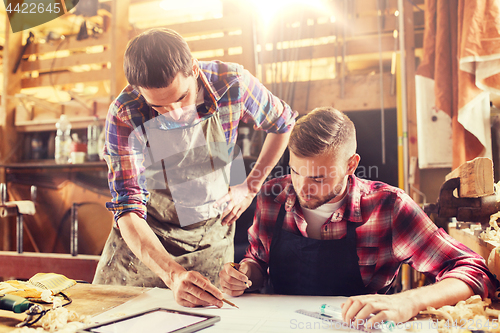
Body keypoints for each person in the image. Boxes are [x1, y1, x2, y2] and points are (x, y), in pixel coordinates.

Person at [219, 106, 498, 324]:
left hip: (358, 326)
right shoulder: (272, 196)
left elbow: (473, 270)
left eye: (318, 177)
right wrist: (244, 275)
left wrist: (408, 302)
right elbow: (257, 261)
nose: (302, 187)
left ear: (351, 164)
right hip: (277, 324)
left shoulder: (388, 207)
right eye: (295, 171)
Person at [93, 28, 295, 308]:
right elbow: (127, 208)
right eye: (160, 107)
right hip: (147, 245)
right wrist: (172, 275)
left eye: (181, 97)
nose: (175, 114)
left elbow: (283, 124)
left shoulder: (232, 83)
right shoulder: (125, 112)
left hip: (210, 238)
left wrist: (250, 186)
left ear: (194, 70)